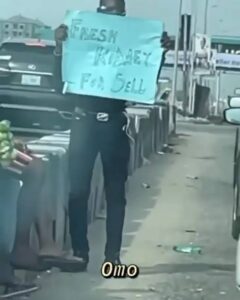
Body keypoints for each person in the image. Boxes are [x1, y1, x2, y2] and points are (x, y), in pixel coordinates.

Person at [53, 0, 170, 272]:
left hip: (114, 125)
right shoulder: (80, 44)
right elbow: (58, 85)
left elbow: (144, 80)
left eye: (117, 13)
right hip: (84, 122)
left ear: (124, 16)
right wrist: (60, 48)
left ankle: (113, 256)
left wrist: (158, 52)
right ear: (98, 14)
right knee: (78, 190)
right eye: (107, 12)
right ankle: (80, 252)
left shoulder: (127, 45)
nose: (112, 17)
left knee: (116, 192)